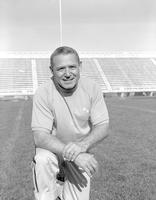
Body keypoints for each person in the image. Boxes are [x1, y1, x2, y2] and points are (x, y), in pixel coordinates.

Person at [31, 46, 109, 200]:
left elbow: (103, 127)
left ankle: (61, 187)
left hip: (79, 151)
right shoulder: (43, 92)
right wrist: (75, 154)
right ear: (51, 70)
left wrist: (81, 147)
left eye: (72, 67)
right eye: (60, 68)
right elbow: (40, 137)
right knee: (42, 160)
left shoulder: (92, 88)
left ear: (80, 66)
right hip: (52, 151)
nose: (67, 74)